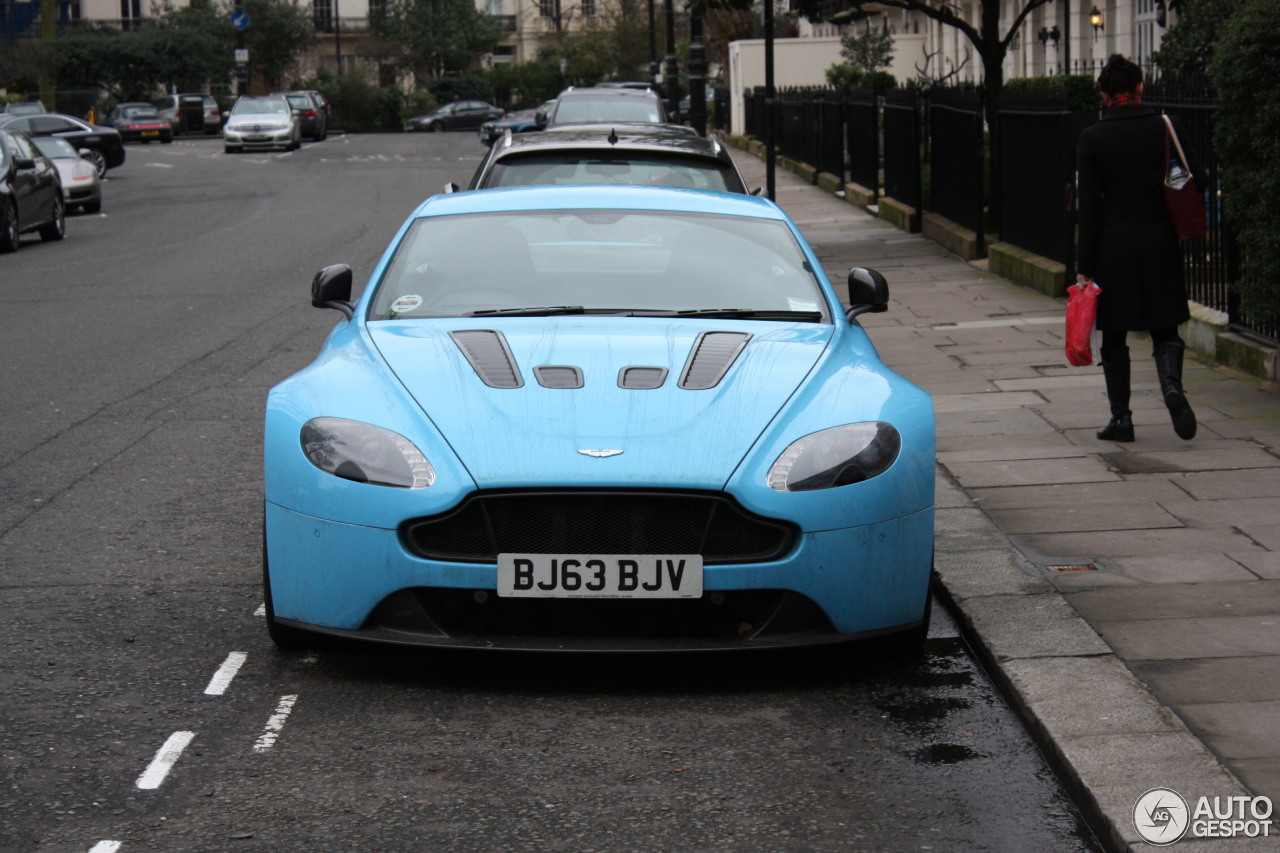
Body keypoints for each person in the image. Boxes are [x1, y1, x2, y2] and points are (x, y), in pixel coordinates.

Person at [1076, 54, 1205, 442]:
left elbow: (1089, 207)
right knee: (1165, 326)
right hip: (1159, 241)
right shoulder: (1165, 127)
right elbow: (1187, 175)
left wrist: (1085, 266)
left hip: (1113, 248)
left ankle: (1122, 419)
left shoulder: (1093, 137)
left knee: (1115, 335)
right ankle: (1171, 387)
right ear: (1140, 87)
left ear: (1103, 93)